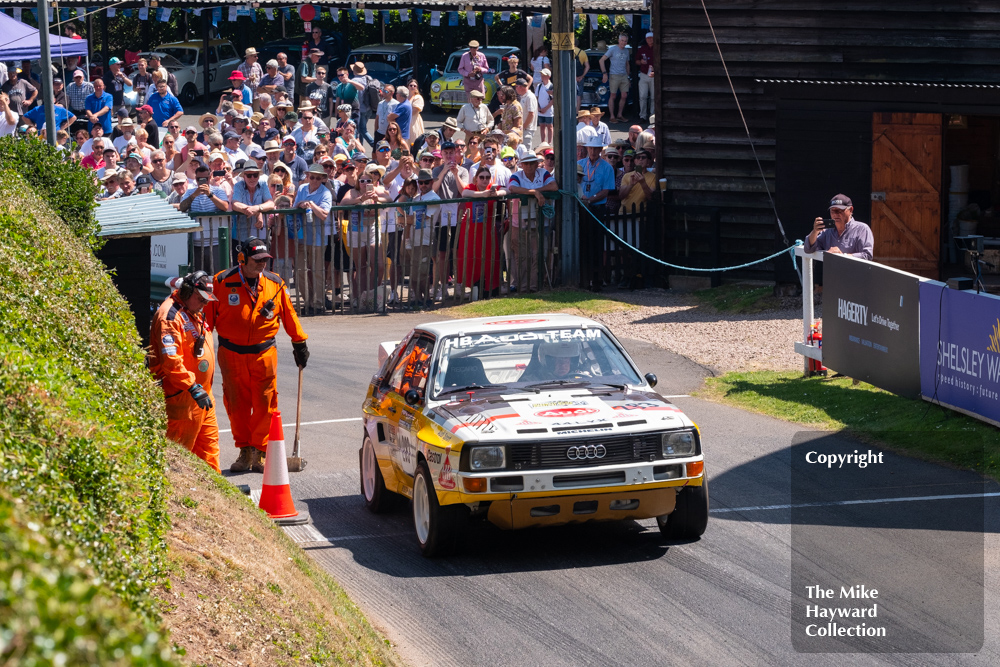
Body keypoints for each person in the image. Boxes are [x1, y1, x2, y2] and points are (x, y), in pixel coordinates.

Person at [205, 238, 309, 473]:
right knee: (236, 404)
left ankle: (260, 451)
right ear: (242, 259)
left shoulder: (275, 283)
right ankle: (244, 450)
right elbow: (207, 318)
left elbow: (289, 315)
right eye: (257, 260)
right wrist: (201, 343)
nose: (262, 265)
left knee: (266, 403)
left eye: (265, 260)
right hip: (231, 353)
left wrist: (299, 342)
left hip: (264, 353)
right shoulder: (222, 281)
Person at [148, 271, 221, 473]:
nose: (204, 304)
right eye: (201, 299)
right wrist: (192, 386)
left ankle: (211, 499)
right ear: (188, 291)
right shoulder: (170, 317)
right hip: (183, 397)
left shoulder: (193, 310)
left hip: (203, 396)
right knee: (177, 460)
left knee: (209, 456)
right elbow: (171, 362)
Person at [508, 148, 556, 293]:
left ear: (536, 164)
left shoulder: (543, 173)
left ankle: (536, 285)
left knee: (538, 253)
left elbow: (554, 186)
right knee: (521, 255)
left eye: (532, 163)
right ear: (521, 164)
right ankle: (522, 285)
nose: (529, 166)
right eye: (526, 164)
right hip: (519, 223)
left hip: (540, 222)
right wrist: (534, 192)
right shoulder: (516, 175)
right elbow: (512, 188)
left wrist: (537, 191)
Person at [292, 164, 334, 313]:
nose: (314, 180)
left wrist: (311, 205)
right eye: (312, 177)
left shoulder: (326, 193)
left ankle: (318, 303)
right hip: (302, 236)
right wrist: (301, 204)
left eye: (318, 177)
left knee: (317, 271)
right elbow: (295, 204)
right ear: (308, 176)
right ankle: (308, 301)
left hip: (318, 238)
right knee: (300, 270)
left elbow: (324, 214)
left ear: (322, 179)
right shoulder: (303, 188)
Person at [458, 166, 504, 298]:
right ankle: (473, 286)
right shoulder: (471, 187)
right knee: (472, 256)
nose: (485, 180)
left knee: (490, 257)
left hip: (488, 229)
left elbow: (507, 190)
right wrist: (482, 194)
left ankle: (490, 287)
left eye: (487, 177)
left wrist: (496, 194)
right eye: (482, 177)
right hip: (471, 229)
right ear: (476, 178)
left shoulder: (493, 187)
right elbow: (464, 193)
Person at [805, 194, 875, 260]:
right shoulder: (827, 231)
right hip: (831, 273)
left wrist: (842, 256)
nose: (835, 214)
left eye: (839, 211)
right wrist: (815, 231)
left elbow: (867, 255)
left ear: (850, 210)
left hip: (854, 272)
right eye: (832, 211)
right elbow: (808, 248)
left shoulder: (862, 229)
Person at [230, 161, 275, 258]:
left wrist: (257, 208)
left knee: (260, 267)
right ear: (244, 176)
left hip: (260, 237)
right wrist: (256, 212)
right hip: (240, 237)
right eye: (249, 175)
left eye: (255, 175)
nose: (252, 178)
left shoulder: (263, 184)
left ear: (258, 176)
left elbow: (271, 203)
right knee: (240, 266)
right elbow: (235, 204)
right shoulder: (239, 185)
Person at [578, 136, 615, 222]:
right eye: (590, 148)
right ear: (587, 148)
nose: (592, 151)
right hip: (580, 206)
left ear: (600, 149)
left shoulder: (607, 168)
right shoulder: (579, 164)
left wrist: (589, 200)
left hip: (597, 208)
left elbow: (605, 191)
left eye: (595, 149)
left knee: (596, 234)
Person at [600, 33, 631, 123]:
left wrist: (628, 76)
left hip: (624, 75)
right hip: (614, 75)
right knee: (613, 95)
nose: (623, 42)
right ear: (618, 40)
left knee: (624, 95)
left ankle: (619, 115)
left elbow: (627, 64)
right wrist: (604, 73)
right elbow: (601, 60)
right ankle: (612, 116)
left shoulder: (626, 51)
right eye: (622, 40)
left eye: (625, 41)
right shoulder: (613, 49)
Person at [636, 32, 655, 123]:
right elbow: (636, 61)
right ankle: (642, 115)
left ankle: (652, 116)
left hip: (654, 75)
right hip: (644, 74)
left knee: (653, 97)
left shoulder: (657, 48)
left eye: (651, 38)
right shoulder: (642, 49)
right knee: (642, 96)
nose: (650, 40)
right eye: (648, 38)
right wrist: (641, 62)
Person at [515, 78, 538, 150]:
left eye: (516, 86)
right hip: (523, 129)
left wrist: (524, 127)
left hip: (527, 129)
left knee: (526, 151)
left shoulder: (530, 97)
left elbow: (531, 114)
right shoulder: (523, 96)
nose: (515, 88)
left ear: (521, 87)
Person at [535, 69, 554, 146]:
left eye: (544, 75)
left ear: (548, 76)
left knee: (549, 126)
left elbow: (553, 100)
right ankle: (543, 142)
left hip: (549, 110)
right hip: (540, 110)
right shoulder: (539, 86)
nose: (542, 77)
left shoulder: (551, 86)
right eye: (542, 75)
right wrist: (539, 108)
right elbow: (536, 97)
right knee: (542, 126)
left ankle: (549, 143)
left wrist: (545, 108)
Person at [572, 44, 590, 111]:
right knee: (578, 95)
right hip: (580, 78)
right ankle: (577, 112)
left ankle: (569, 111)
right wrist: (582, 76)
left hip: (570, 78)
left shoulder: (568, 51)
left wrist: (573, 77)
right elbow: (587, 66)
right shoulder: (582, 52)